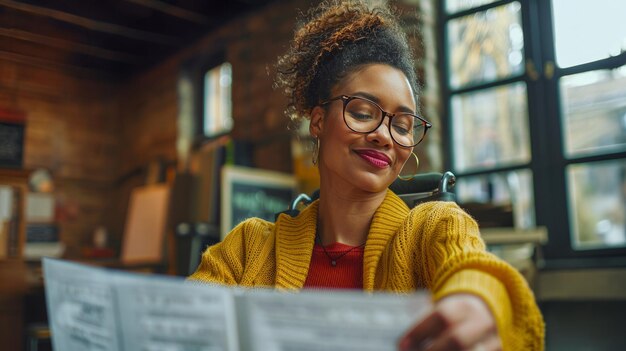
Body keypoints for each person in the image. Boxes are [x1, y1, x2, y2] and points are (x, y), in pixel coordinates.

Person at [189, 1, 544, 350]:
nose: (384, 135)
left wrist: (481, 301)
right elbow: (182, 321)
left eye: (402, 125)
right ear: (317, 121)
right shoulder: (248, 247)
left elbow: (475, 268)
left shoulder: (434, 225)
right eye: (361, 112)